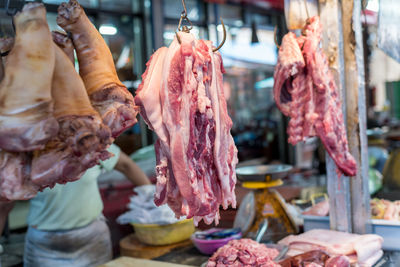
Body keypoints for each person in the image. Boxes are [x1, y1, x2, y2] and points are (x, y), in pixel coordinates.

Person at [0, 143, 151, 267]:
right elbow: (3, 206)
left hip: (92, 240)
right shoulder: (25, 153)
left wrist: (150, 194)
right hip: (45, 245)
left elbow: (126, 165)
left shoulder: (89, 142)